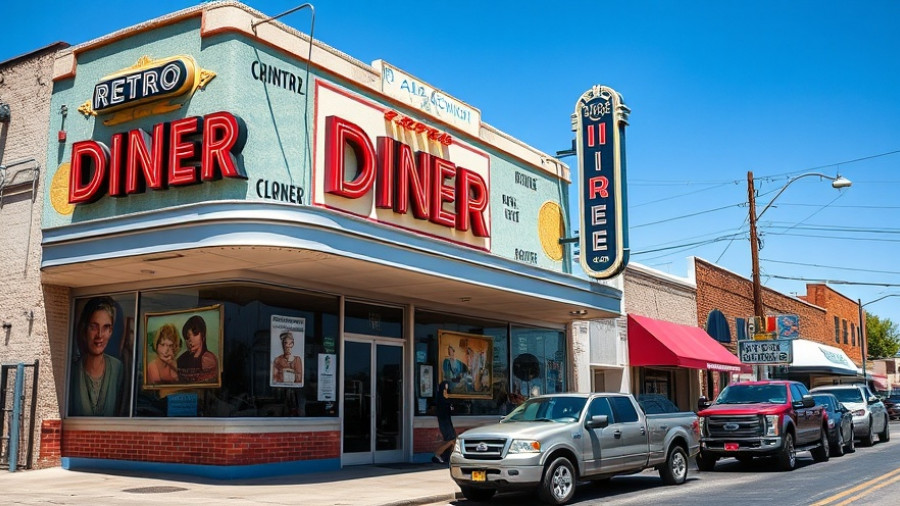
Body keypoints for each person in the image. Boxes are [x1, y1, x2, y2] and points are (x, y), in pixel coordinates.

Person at [69, 296, 124, 416]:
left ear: (111, 332)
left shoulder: (118, 369)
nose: (99, 335)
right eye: (94, 327)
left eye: (106, 327)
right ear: (85, 329)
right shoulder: (72, 371)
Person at [177, 315, 219, 383]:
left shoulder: (209, 360)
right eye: (187, 337)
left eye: (195, 334)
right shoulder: (181, 360)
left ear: (203, 335)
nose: (190, 340)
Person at [432, 380, 455, 464]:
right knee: (451, 440)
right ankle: (437, 454)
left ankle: (448, 457)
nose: (446, 391)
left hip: (447, 421)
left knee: (451, 440)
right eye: (445, 390)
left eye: (447, 390)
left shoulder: (446, 399)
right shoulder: (441, 400)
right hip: (444, 422)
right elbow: (443, 412)